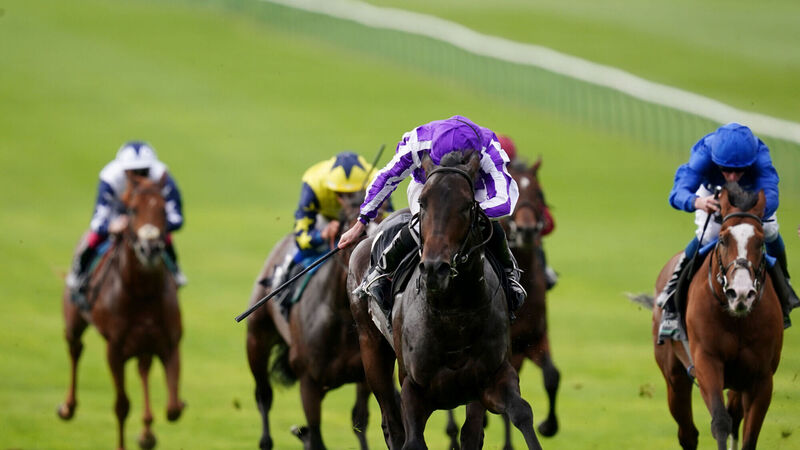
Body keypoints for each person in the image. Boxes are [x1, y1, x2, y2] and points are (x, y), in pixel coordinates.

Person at [338, 115, 526, 322]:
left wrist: (468, 212)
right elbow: (387, 178)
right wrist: (361, 222)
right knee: (423, 223)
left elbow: (505, 199)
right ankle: (380, 273)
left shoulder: (487, 147)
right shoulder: (418, 142)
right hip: (428, 186)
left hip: (470, 190)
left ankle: (510, 275)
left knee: (487, 224)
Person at [656, 122, 799, 342]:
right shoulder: (704, 154)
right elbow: (677, 193)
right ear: (715, 161)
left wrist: (749, 212)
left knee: (769, 230)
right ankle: (672, 293)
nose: (732, 177)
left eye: (739, 171)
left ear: (750, 162)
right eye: (726, 170)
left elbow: (771, 193)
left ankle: (783, 285)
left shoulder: (760, 156)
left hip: (751, 197)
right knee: (708, 235)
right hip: (713, 194)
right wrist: (697, 201)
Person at [66, 141, 185, 304]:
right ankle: (80, 273)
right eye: (134, 171)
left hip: (149, 218)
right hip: (117, 214)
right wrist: (111, 226)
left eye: (144, 171)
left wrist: (157, 225)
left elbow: (177, 217)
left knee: (165, 239)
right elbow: (98, 221)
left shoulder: (162, 178)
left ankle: (175, 270)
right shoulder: (110, 178)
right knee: (95, 237)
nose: (140, 176)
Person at [268, 151, 378, 317]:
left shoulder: (377, 179)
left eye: (354, 194)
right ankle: (284, 281)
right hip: (326, 220)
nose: (346, 200)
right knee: (305, 250)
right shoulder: (313, 182)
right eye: (340, 194)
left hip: (363, 220)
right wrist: (323, 234)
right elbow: (302, 237)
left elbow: (387, 220)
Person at [497, 134, 559, 290]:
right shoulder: (527, 179)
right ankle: (545, 272)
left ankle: (544, 271)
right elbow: (548, 224)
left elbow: (548, 224)